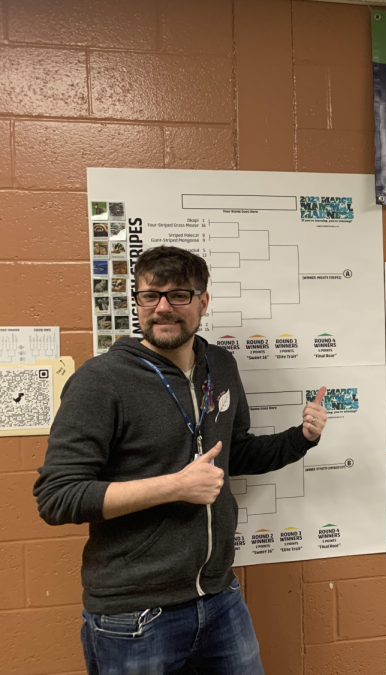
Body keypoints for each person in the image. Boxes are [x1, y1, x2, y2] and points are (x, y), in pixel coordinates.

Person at [34, 246, 328, 674]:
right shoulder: (101, 381)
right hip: (134, 616)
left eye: (179, 296)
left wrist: (300, 438)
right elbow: (57, 497)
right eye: (150, 296)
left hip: (220, 599)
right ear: (136, 301)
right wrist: (175, 486)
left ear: (203, 302)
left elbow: (235, 453)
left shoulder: (221, 366)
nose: (163, 308)